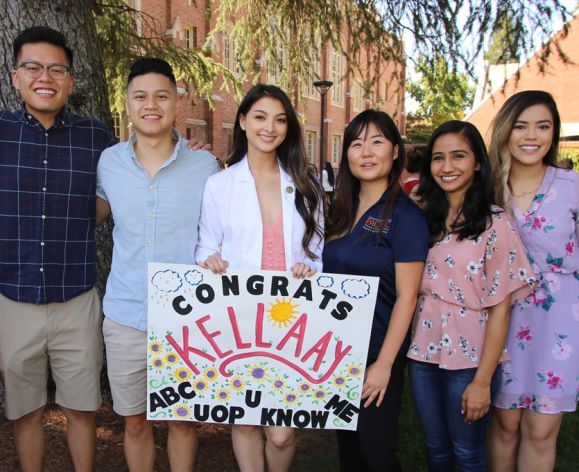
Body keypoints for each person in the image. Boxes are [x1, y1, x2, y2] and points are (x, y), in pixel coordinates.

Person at [0, 26, 116, 472]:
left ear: (69, 79)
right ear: (15, 76)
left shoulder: (96, 137)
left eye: (56, 68)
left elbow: (119, 192)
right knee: (25, 410)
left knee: (82, 407)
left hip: (77, 297)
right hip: (13, 297)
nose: (44, 76)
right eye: (32, 66)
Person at [95, 57, 219, 471]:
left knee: (184, 424)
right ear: (128, 103)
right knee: (134, 423)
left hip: (188, 318)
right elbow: (87, 214)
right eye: (141, 96)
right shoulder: (108, 162)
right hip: (126, 314)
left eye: (161, 95)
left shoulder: (205, 166)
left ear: (176, 102)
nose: (151, 105)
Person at [195, 84, 324, 472]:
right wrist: (211, 262)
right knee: (246, 418)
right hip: (240, 316)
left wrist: (310, 269)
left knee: (282, 431)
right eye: (261, 117)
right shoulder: (219, 185)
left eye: (280, 119)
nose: (271, 127)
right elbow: (204, 246)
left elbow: (318, 253)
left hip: (291, 319)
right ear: (243, 122)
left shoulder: (306, 184)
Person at [407, 121, 535, 471]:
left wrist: (482, 381)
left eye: (458, 156)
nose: (447, 167)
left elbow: (501, 310)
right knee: (435, 448)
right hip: (423, 354)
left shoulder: (495, 223)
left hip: (471, 359)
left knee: (467, 452)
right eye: (438, 158)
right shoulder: (422, 217)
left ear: (477, 162)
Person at [323, 109, 429, 471]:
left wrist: (384, 364)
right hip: (336, 352)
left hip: (376, 353)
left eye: (377, 142)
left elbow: (408, 296)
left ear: (395, 151)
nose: (366, 152)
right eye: (356, 143)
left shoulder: (405, 218)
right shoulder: (339, 210)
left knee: (376, 453)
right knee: (349, 451)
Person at [488, 91, 579, 472]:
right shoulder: (487, 187)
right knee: (505, 424)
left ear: (553, 133)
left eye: (543, 126)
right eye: (521, 125)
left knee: (541, 430)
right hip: (499, 318)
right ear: (507, 131)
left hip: (558, 321)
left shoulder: (572, 184)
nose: (532, 135)